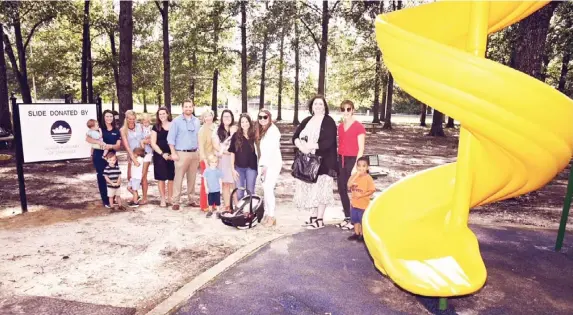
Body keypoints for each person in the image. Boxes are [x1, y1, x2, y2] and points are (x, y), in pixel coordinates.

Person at [292, 95, 338, 229]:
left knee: (322, 190)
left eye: (320, 104)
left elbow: (328, 142)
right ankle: (313, 216)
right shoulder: (307, 120)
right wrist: (301, 147)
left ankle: (319, 219)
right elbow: (295, 136)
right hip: (308, 162)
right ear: (312, 106)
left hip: (324, 162)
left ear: (325, 107)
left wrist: (311, 147)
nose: (318, 106)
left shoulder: (329, 121)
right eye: (315, 104)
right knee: (311, 189)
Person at [336, 100, 366, 231]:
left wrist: (356, 166)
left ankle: (356, 220)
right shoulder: (340, 126)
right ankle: (348, 217)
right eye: (343, 109)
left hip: (353, 160)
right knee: (342, 188)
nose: (346, 112)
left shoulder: (359, 126)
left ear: (353, 110)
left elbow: (361, 148)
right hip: (341, 159)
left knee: (354, 191)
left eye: (348, 109)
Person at [167, 99, 201, 210]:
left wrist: (199, 152)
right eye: (186, 106)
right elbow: (170, 139)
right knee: (178, 178)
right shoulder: (176, 121)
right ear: (182, 108)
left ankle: (191, 199)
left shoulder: (197, 121)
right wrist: (173, 153)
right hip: (181, 153)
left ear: (193, 107)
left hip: (194, 153)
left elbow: (198, 137)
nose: (188, 108)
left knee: (192, 178)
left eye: (190, 106)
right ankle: (175, 201)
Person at [85, 110, 122, 208]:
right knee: (102, 177)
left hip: (112, 158)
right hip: (99, 156)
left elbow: (118, 146)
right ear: (103, 117)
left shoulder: (116, 130)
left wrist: (110, 146)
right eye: (107, 116)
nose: (109, 118)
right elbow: (88, 139)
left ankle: (112, 198)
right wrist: (99, 142)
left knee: (113, 176)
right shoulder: (98, 129)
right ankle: (105, 200)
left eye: (111, 116)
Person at [255, 108, 282, 227]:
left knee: (268, 189)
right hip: (264, 163)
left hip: (271, 164)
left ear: (269, 117)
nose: (262, 119)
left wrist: (265, 167)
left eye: (265, 117)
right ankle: (267, 213)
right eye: (260, 117)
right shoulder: (263, 130)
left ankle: (271, 216)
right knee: (265, 189)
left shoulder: (273, 131)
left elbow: (271, 150)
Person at [120, 110, 150, 205]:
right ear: (126, 118)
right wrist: (133, 159)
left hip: (145, 153)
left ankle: (144, 198)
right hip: (133, 155)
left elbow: (148, 136)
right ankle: (135, 195)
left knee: (143, 177)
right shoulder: (123, 130)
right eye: (129, 119)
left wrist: (145, 141)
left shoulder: (140, 126)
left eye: (133, 119)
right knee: (130, 177)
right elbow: (127, 146)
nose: (131, 121)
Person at [228, 113, 258, 200]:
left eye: (246, 121)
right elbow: (232, 152)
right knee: (239, 192)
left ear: (250, 122)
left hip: (251, 168)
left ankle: (250, 211)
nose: (244, 124)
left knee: (250, 191)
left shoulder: (255, 135)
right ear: (240, 124)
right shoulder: (236, 136)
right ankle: (241, 211)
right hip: (238, 168)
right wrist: (232, 169)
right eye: (242, 122)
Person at [212, 109, 237, 210]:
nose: (227, 118)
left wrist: (233, 153)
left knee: (234, 183)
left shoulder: (235, 130)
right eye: (225, 116)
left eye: (229, 116)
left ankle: (237, 204)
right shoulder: (217, 131)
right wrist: (229, 152)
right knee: (225, 183)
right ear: (222, 119)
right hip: (223, 159)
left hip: (235, 159)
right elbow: (216, 146)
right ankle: (227, 206)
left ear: (232, 118)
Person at [347, 156, 376, 242]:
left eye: (364, 166)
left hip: (363, 205)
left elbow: (372, 190)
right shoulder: (354, 176)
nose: (361, 168)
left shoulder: (368, 178)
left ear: (367, 167)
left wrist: (362, 195)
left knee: (362, 221)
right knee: (355, 220)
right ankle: (356, 233)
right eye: (359, 166)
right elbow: (349, 185)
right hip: (354, 204)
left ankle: (363, 235)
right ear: (356, 166)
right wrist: (356, 176)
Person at [151, 107, 174, 207]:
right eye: (160, 114)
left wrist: (173, 153)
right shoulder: (156, 127)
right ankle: (163, 199)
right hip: (159, 155)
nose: (162, 116)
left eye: (164, 113)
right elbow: (153, 143)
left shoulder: (173, 125)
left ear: (167, 114)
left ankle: (170, 198)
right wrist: (162, 153)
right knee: (161, 178)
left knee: (171, 177)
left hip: (172, 154)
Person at [198, 110, 217, 213]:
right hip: (206, 159)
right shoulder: (202, 130)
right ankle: (204, 204)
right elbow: (201, 148)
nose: (208, 118)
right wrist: (205, 162)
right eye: (206, 116)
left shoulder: (215, 127)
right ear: (203, 118)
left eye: (210, 115)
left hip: (214, 159)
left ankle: (213, 203)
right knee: (205, 182)